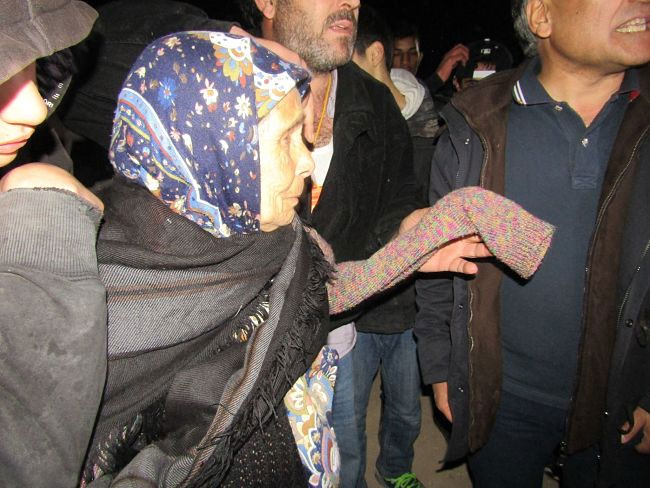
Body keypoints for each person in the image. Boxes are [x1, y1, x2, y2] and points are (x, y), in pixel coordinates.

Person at [80, 30, 553, 488]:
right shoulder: (104, 301)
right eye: (286, 139)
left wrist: (420, 244)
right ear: (212, 148)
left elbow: (323, 291)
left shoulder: (273, 237)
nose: (307, 162)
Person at [414, 0, 650, 486]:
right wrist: (442, 366)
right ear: (542, 15)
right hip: (501, 394)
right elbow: (437, 262)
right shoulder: (475, 122)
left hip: (621, 395)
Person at [240, 1, 426, 486]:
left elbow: (394, 202)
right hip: (238, 349)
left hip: (335, 335)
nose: (350, 3)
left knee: (343, 464)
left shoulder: (376, 102)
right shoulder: (220, 82)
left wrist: (407, 232)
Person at [0, 1, 108, 487]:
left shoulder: (40, 156)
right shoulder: (37, 187)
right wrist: (45, 218)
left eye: (31, 67)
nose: (35, 108)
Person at [350, 5, 438, 487]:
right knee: (347, 416)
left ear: (374, 54)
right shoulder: (345, 122)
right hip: (357, 304)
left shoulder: (433, 126)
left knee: (406, 409)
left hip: (413, 303)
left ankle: (395, 470)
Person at [391, 19, 469, 104]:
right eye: (397, 54)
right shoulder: (382, 97)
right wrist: (438, 78)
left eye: (412, 53)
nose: (405, 61)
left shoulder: (437, 100)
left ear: (420, 58)